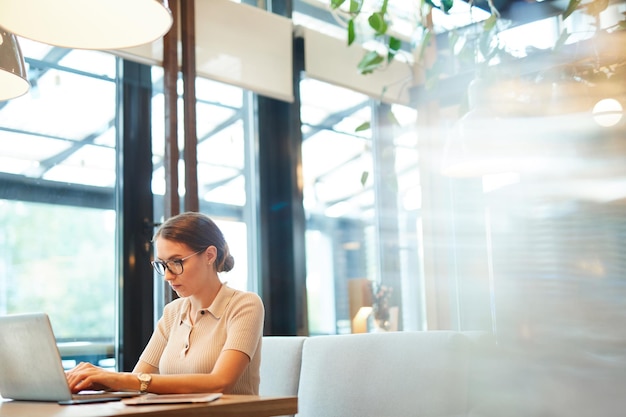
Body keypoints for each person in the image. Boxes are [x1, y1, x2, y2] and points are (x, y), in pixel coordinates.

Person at [65, 211, 265, 395]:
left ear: (210, 255)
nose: (167, 276)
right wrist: (102, 380)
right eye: (162, 264)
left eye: (177, 262)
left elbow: (220, 383)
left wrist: (119, 379)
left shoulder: (244, 305)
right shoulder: (173, 312)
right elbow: (136, 380)